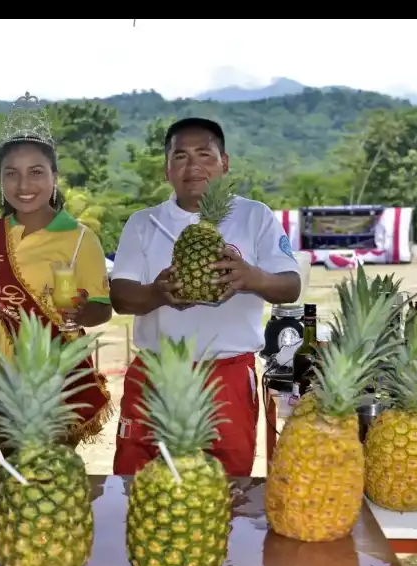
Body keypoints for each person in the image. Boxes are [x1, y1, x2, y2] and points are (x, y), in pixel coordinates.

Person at [109, 117, 302, 478]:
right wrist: (157, 294)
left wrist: (252, 277)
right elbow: (120, 296)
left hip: (227, 372)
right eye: (180, 156)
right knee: (138, 480)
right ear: (167, 169)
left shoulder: (254, 216)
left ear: (224, 162)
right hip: (156, 373)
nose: (193, 166)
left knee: (227, 484)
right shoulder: (143, 222)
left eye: (204, 154)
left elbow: (290, 285)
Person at [0, 93, 113, 455]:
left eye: (36, 172)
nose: (24, 185)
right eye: (11, 174)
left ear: (54, 176)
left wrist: (83, 310)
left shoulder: (81, 238)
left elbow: (102, 309)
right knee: (16, 476)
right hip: (1, 375)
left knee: (54, 477)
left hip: (59, 377)